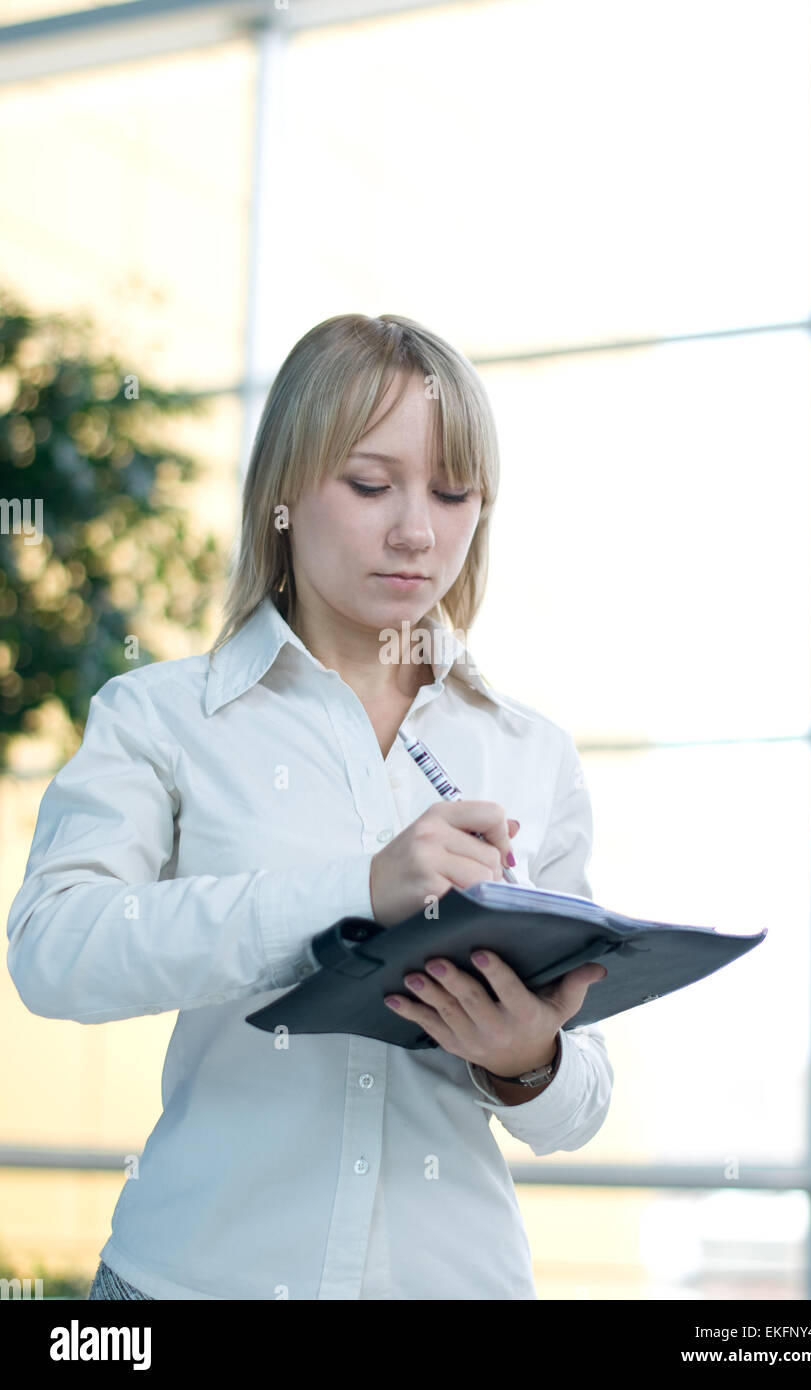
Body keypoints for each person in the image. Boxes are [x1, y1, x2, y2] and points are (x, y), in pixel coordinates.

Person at [7, 312, 613, 1301]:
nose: (416, 529)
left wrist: (526, 1060)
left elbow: (581, 1103)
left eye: (453, 492)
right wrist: (354, 892)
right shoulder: (164, 716)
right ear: (283, 490)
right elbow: (55, 950)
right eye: (371, 485)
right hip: (188, 1285)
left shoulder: (526, 750)